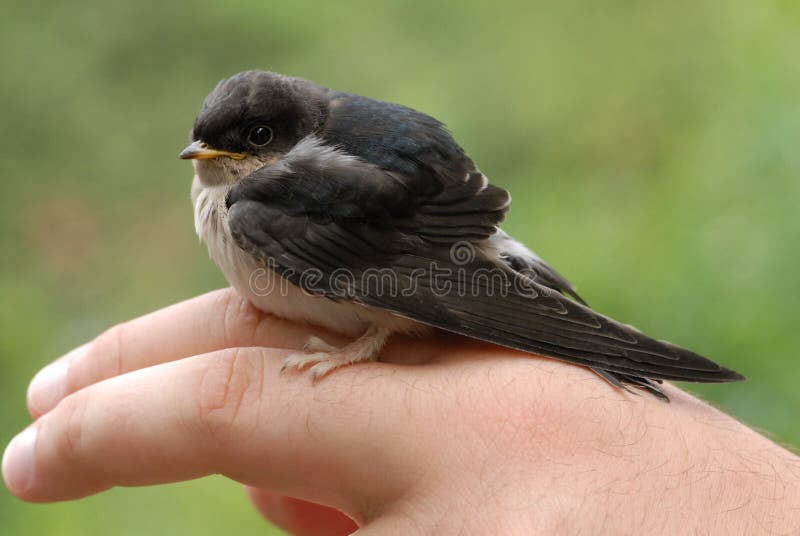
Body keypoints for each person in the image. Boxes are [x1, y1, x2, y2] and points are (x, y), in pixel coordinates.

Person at [3, 289, 799, 534]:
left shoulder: (275, 199)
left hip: (434, 281)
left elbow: (431, 276)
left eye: (240, 140)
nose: (206, 160)